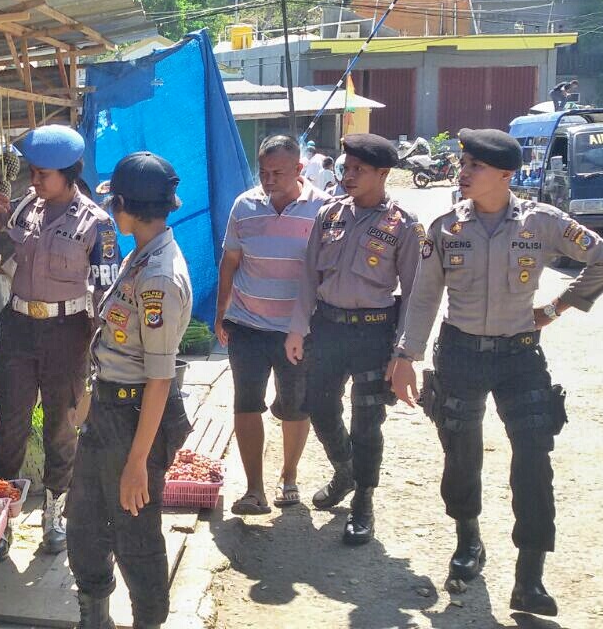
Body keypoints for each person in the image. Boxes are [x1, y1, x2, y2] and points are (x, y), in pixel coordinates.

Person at [388, 128, 603, 616]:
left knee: (534, 459)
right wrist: (406, 356)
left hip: (519, 355)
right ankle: (468, 541)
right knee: (461, 454)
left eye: (474, 165)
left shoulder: (542, 221)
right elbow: (425, 295)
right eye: (463, 162)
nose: (463, 171)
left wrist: (556, 307)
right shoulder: (445, 226)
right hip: (460, 353)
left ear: (505, 175)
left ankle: (530, 577)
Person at [0, 124, 120, 554]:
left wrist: (100, 345)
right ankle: (0, 519)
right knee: (10, 428)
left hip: (67, 334)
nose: (33, 182)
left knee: (60, 429)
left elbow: (106, 290)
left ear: (69, 174)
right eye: (32, 173)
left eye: (42, 175)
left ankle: (55, 516)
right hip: (18, 329)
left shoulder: (97, 224)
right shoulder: (24, 209)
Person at [67, 152, 191, 629]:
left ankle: (148, 622)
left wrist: (138, 462)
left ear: (123, 206)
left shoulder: (159, 276)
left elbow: (160, 378)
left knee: (135, 531)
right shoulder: (143, 254)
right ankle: (94, 614)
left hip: (136, 416)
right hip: (107, 409)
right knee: (84, 522)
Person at [285, 133, 423, 545]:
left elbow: (415, 294)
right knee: (319, 406)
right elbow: (309, 276)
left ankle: (363, 498)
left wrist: (403, 353)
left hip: (372, 331)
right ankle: (344, 468)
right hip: (327, 327)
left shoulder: (404, 224)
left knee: (368, 420)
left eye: (360, 170)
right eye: (346, 168)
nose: (349, 176)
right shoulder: (329, 215)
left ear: (383, 173)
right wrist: (297, 327)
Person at [216, 134, 331, 515]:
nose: (268, 180)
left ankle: (289, 476)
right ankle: (253, 489)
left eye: (277, 173)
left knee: (295, 406)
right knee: (246, 405)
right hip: (246, 325)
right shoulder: (244, 206)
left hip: (298, 330)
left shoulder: (323, 209)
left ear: (300, 169)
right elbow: (230, 263)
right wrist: (221, 313)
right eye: (263, 172)